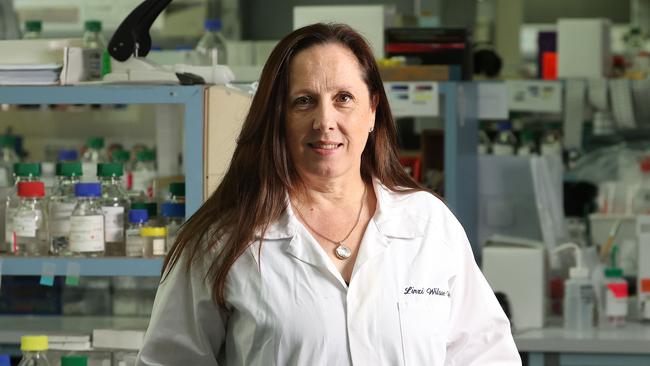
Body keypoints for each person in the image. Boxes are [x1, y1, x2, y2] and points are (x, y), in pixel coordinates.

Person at [137, 23, 521, 365]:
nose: (325, 122)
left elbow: (487, 353)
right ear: (279, 118)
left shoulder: (428, 224)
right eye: (304, 101)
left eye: (344, 98)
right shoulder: (222, 239)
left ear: (372, 111)